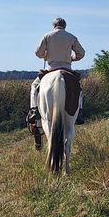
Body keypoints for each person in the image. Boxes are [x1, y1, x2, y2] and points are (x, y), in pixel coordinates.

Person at [27, 17, 85, 148]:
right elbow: (81, 53)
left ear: (54, 26)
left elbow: (38, 53)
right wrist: (72, 58)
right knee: (79, 89)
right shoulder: (71, 37)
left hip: (51, 68)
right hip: (67, 68)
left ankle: (34, 110)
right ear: (65, 26)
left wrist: (45, 55)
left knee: (34, 86)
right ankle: (79, 112)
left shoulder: (47, 36)